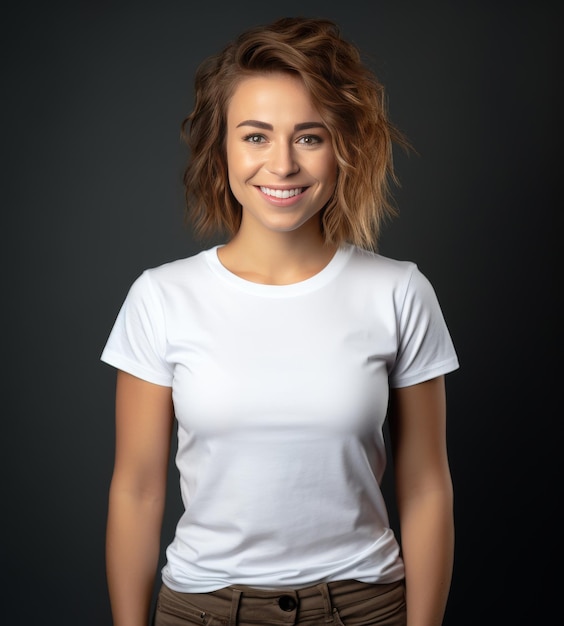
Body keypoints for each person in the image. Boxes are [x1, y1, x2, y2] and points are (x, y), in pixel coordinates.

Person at [101, 16, 459, 626]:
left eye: (310, 137)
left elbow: (427, 487)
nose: (283, 164)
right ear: (222, 148)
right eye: (257, 136)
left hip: (363, 607)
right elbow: (137, 490)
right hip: (203, 610)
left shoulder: (399, 291)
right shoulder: (161, 297)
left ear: (342, 147)